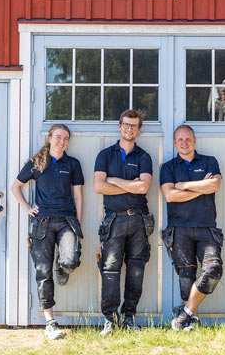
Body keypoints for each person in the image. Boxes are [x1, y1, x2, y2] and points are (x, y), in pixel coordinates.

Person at [11, 124, 84, 340]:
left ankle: (61, 267)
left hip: (66, 221)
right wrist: (27, 207)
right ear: (50, 138)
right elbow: (16, 187)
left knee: (71, 261)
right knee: (43, 272)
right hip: (41, 223)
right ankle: (50, 322)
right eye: (58, 137)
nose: (62, 142)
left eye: (66, 138)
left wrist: (77, 225)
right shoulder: (36, 163)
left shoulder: (73, 164)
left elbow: (78, 196)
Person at [93, 109, 154, 336]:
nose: (129, 129)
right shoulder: (105, 155)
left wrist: (115, 180)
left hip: (139, 219)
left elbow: (144, 187)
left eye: (134, 126)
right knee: (110, 270)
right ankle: (110, 319)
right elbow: (99, 187)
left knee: (136, 268)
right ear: (119, 126)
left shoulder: (144, 157)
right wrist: (131, 184)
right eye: (126, 125)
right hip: (113, 220)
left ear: (139, 129)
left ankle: (129, 317)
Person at [160, 124, 223, 331]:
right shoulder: (168, 167)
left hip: (207, 228)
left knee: (213, 270)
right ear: (174, 143)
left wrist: (184, 185)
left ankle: (185, 313)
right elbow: (170, 195)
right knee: (185, 276)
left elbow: (214, 185)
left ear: (194, 141)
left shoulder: (209, 161)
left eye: (188, 139)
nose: (184, 143)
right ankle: (192, 321)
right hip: (179, 229)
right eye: (180, 140)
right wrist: (200, 188)